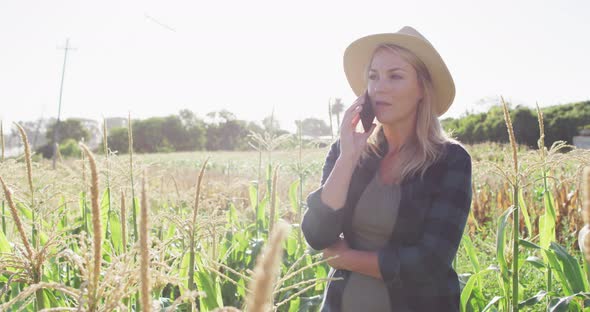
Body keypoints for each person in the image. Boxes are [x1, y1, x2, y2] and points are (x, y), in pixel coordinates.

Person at [301, 26, 472, 312]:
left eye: (395, 76)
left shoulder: (450, 161)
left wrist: (345, 259)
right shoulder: (345, 152)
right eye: (373, 76)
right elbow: (317, 234)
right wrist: (347, 159)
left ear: (422, 88)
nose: (379, 87)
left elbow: (429, 262)